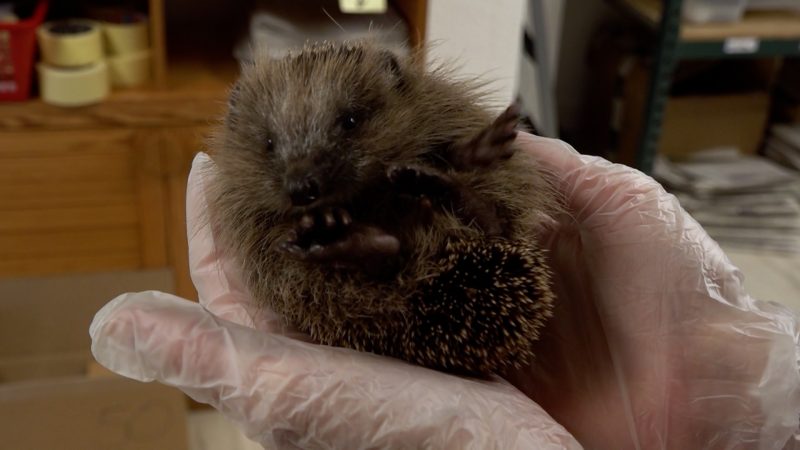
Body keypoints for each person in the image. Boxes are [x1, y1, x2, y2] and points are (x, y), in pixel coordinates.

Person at [90, 133, 800, 449]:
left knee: (479, 239)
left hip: (459, 269)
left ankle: (386, 254)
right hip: (418, 278)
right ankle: (384, 256)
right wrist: (749, 388)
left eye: (344, 128)